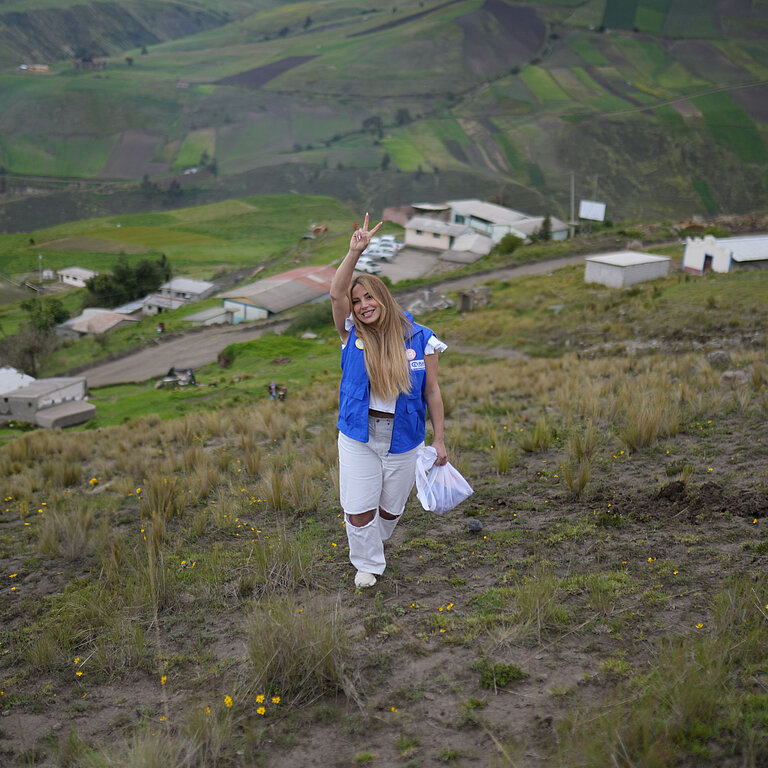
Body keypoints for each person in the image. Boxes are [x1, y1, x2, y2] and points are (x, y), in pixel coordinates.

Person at [330, 213, 448, 589]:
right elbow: (335, 293)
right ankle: (367, 565)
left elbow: (432, 391)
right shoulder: (350, 334)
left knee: (389, 511)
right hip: (359, 433)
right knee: (359, 508)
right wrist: (354, 252)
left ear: (382, 296)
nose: (363, 305)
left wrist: (440, 439)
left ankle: (371, 543)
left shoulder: (420, 337)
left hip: (405, 437)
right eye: (357, 301)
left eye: (369, 297)